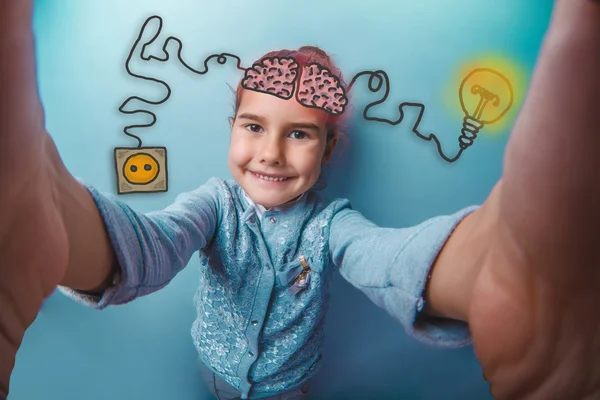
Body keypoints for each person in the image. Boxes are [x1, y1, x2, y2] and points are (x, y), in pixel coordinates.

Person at [1, 0, 599, 399]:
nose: (271, 153)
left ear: (329, 149)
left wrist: (468, 267)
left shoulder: (331, 224)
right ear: (231, 129)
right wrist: (90, 237)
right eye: (254, 127)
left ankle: (491, 269)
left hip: (292, 384)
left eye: (300, 134)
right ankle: (57, 224)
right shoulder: (214, 204)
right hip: (210, 368)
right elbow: (160, 244)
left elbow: (383, 258)